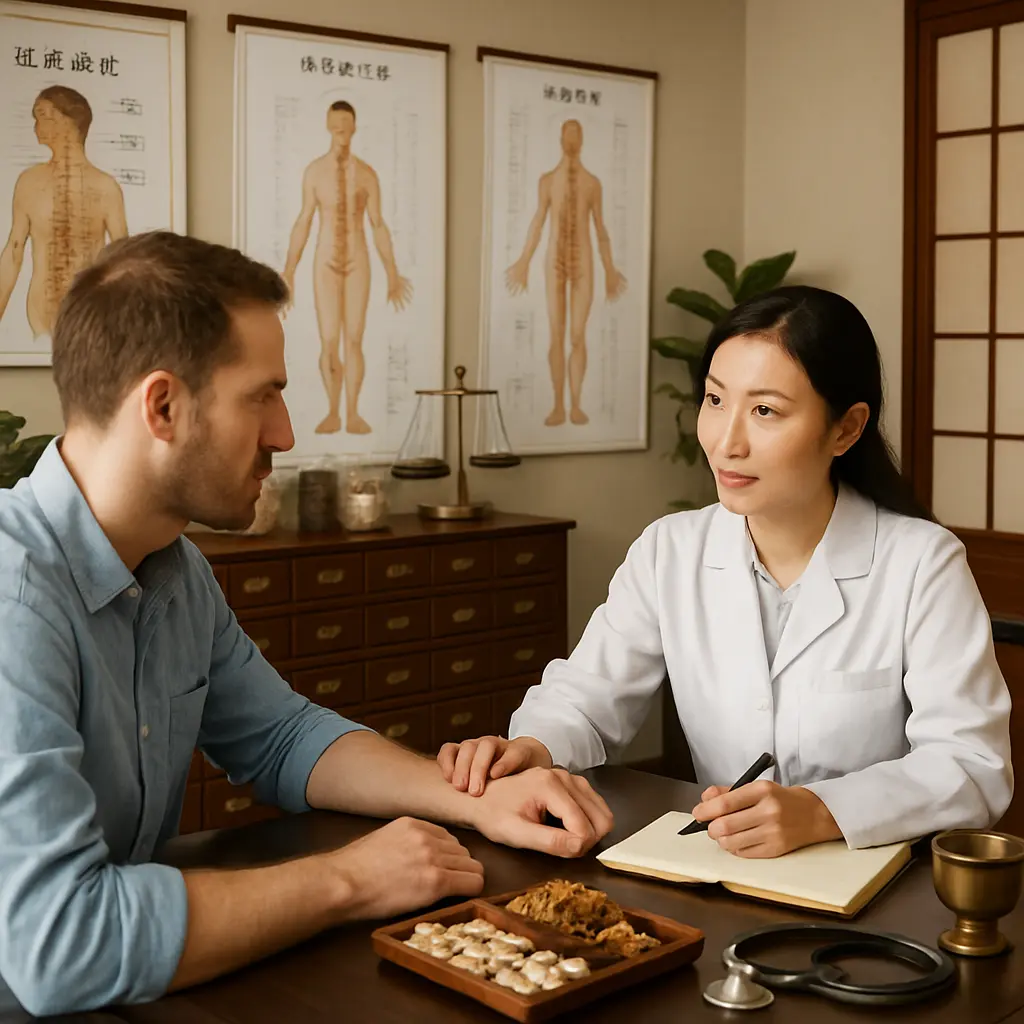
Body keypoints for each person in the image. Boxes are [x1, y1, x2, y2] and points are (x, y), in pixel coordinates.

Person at [0, 230, 613, 1017]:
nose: (285, 434)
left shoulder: (172, 565)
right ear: (162, 406)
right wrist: (351, 879)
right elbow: (60, 945)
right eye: (263, 395)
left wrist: (473, 800)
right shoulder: (15, 595)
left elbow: (281, 736)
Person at [439, 285, 1013, 858]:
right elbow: (587, 698)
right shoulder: (671, 550)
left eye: (765, 410)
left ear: (847, 428)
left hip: (874, 880)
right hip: (720, 872)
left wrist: (820, 810)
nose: (726, 442)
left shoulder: (923, 563)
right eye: (715, 401)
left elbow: (972, 766)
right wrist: (534, 747)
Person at [282, 100, 411, 436]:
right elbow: (304, 220)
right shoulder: (314, 171)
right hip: (324, 260)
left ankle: (352, 412)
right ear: (328, 125)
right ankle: (332, 411)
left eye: (346, 122)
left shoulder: (368, 174)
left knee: (353, 340)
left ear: (354, 126)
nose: (341, 128)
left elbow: (378, 224)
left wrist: (393, 272)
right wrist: (289, 270)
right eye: (335, 123)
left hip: (358, 260)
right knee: (329, 340)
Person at [505, 119, 627, 427]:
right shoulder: (547, 181)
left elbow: (600, 229)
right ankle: (558, 404)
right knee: (557, 333)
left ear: (582, 140)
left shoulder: (592, 183)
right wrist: (523, 261)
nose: (572, 139)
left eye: (577, 134)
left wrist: (610, 269)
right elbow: (538, 221)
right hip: (554, 262)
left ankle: (576, 404)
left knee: (577, 335)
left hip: (583, 262)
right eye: (567, 134)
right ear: (561, 139)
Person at [0, 85, 128, 339]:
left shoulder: (106, 187)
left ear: (67, 121)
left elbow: (124, 259)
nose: (36, 124)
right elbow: (13, 252)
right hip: (40, 317)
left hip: (90, 317)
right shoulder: (29, 181)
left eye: (43, 115)